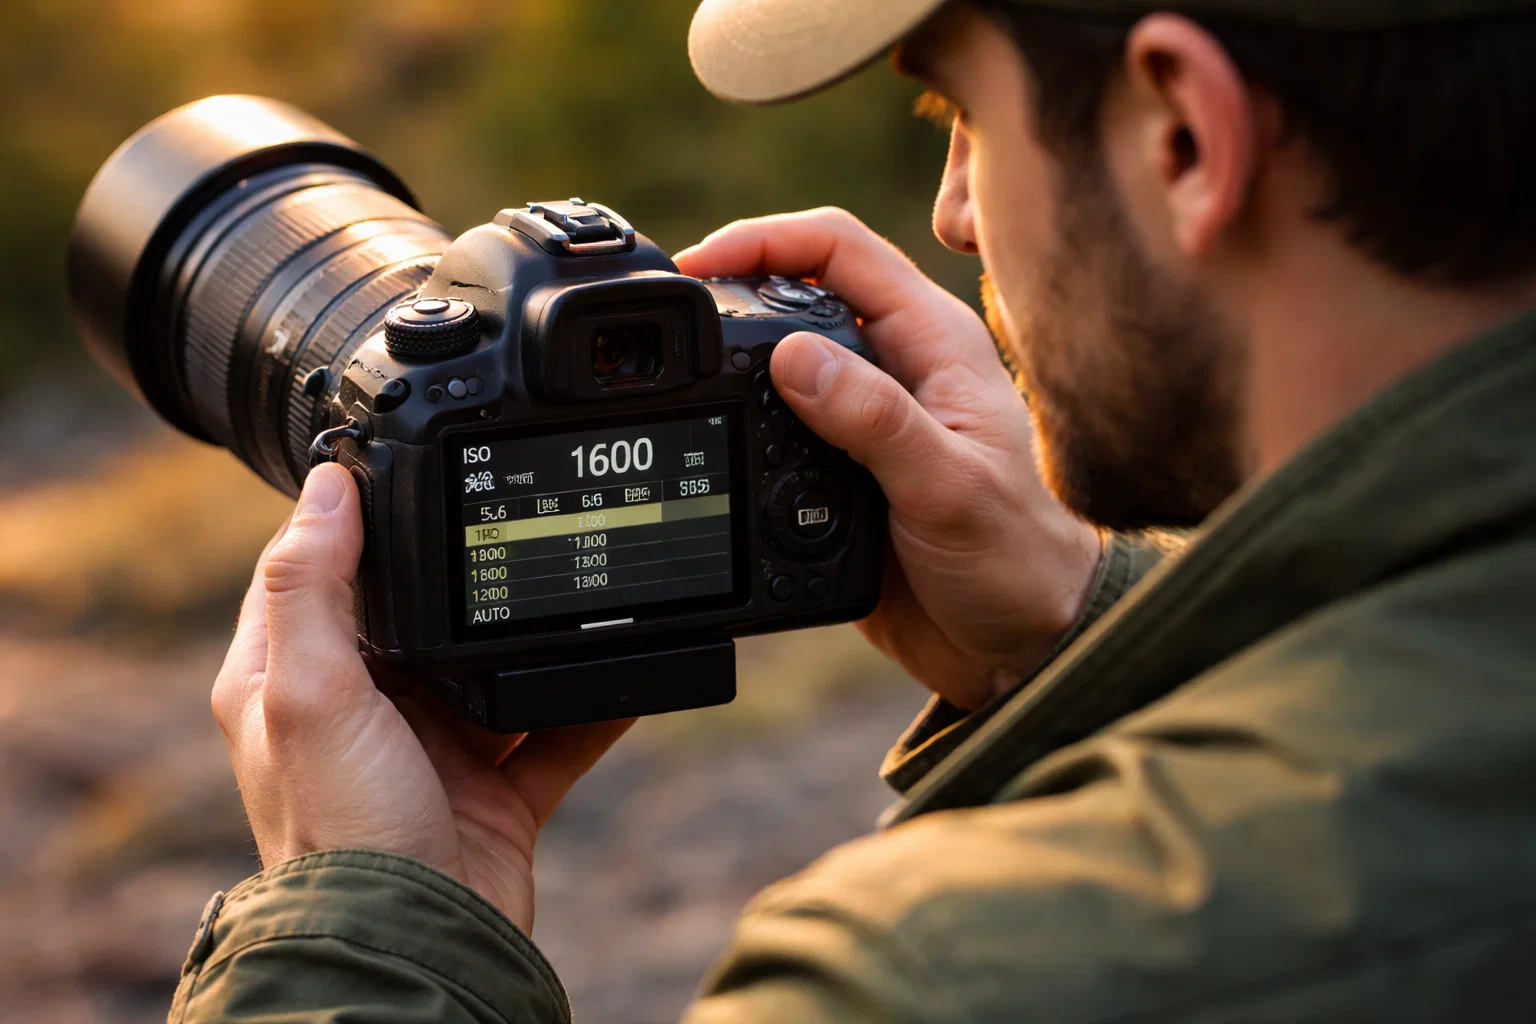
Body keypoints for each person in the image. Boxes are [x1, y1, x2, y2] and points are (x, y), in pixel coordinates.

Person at [171, 0, 1536, 1020]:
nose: (951, 217)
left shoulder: (940, 981)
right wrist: (1074, 640)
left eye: (960, 117)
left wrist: (361, 929)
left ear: (1184, 135)